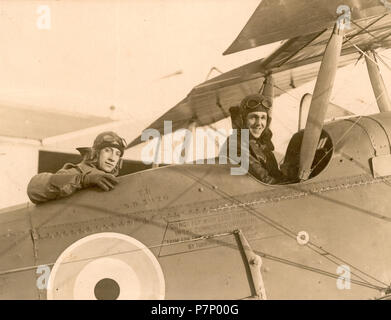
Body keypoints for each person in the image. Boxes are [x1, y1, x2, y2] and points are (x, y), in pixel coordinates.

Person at [27, 131, 127, 204]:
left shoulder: (111, 182)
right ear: (96, 153)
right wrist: (83, 179)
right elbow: (34, 188)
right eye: (107, 150)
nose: (112, 158)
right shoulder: (78, 172)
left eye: (117, 154)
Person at [224, 94, 286, 184]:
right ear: (243, 120)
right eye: (253, 117)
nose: (259, 123)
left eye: (263, 118)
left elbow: (276, 175)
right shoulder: (235, 143)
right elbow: (265, 180)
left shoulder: (262, 144)